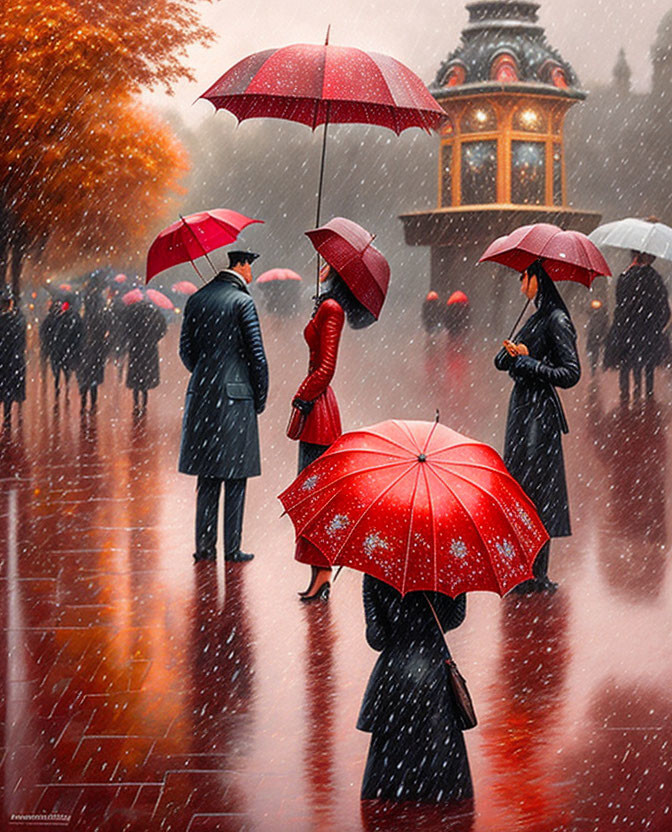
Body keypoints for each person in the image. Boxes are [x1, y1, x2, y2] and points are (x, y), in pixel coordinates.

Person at [291, 264, 382, 602]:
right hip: (317, 404)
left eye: (328, 261)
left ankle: (323, 572)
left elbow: (326, 368)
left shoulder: (332, 309)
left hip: (318, 407)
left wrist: (302, 396)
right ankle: (320, 573)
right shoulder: (328, 305)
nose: (322, 262)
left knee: (314, 496)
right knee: (313, 495)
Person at [494, 259, 580, 594]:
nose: (520, 286)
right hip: (521, 412)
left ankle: (536, 573)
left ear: (536, 279)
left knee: (537, 492)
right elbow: (505, 362)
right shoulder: (535, 317)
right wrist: (508, 356)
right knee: (520, 487)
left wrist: (530, 362)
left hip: (539, 417)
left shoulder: (557, 319)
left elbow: (570, 373)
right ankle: (524, 569)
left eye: (523, 278)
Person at [179, 250, 268, 563]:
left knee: (207, 476)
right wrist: (259, 396)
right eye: (250, 268)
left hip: (202, 395)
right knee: (235, 476)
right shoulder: (243, 302)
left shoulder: (196, 299)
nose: (251, 275)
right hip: (236, 396)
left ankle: (204, 548)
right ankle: (232, 549)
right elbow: (257, 356)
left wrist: (207, 374)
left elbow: (185, 351)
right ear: (241, 266)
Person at [358, 574, 473, 803]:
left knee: (392, 754)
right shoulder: (446, 565)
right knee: (439, 742)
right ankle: (435, 791)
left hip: (395, 672)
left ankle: (398, 792)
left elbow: (377, 638)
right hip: (434, 668)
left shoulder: (376, 570)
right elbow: (454, 619)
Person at [604, 250, 670, 402]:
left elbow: (620, 303)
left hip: (627, 328)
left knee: (626, 361)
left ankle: (626, 391)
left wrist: (621, 322)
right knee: (648, 363)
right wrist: (658, 325)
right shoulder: (655, 278)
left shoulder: (625, 276)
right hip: (647, 328)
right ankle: (647, 391)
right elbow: (663, 307)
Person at [124, 298, 167, 413]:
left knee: (135, 378)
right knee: (146, 378)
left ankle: (136, 404)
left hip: (136, 348)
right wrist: (154, 339)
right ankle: (144, 405)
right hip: (150, 349)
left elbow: (126, 330)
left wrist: (133, 339)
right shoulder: (155, 315)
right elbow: (162, 329)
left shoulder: (133, 314)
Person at [39, 296, 83, 398]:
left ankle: (58, 386)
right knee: (64, 369)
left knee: (58, 370)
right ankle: (63, 386)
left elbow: (44, 333)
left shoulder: (54, 318)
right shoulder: (71, 318)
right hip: (62, 349)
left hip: (58, 349)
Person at [77, 284, 109, 411]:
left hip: (86, 353)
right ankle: (92, 404)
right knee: (93, 380)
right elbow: (104, 337)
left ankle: (84, 403)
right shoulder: (100, 319)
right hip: (96, 353)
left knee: (85, 379)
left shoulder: (83, 320)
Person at [0, 287, 26, 429]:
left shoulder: (11, 321)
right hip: (10, 360)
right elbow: (21, 342)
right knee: (8, 390)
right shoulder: (15, 321)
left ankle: (7, 416)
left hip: (4, 359)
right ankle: (7, 417)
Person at [585, 299, 609, 376]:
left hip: (598, 337)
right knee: (593, 353)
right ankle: (594, 369)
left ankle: (597, 369)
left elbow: (605, 327)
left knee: (597, 353)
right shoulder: (593, 316)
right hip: (593, 337)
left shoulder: (602, 317)